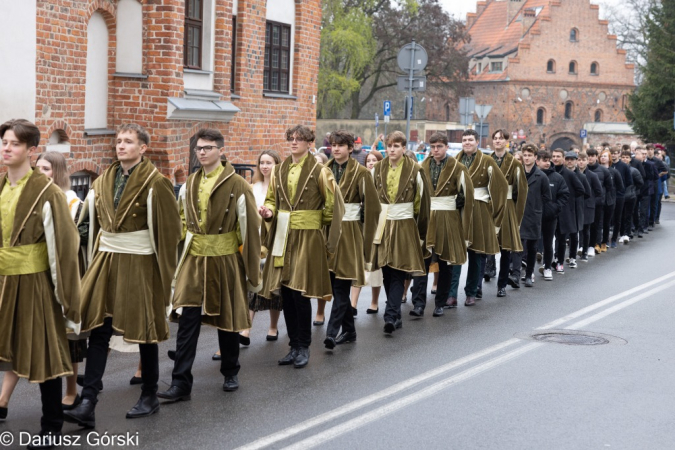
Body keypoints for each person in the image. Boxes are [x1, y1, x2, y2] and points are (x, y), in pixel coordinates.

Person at [64, 124, 181, 427]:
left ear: (143, 148)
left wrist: (165, 277)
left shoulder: (157, 183)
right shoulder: (103, 180)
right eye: (118, 141)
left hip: (141, 261)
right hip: (107, 260)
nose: (121, 146)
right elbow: (91, 223)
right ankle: (88, 401)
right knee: (99, 330)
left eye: (128, 142)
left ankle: (150, 395)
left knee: (145, 331)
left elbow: (169, 234)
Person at [158, 128, 261, 403]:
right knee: (188, 320)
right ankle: (181, 383)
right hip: (194, 259)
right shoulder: (190, 182)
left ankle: (230, 372)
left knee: (227, 320)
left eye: (207, 148)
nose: (201, 153)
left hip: (225, 258)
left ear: (220, 151)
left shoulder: (238, 185)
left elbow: (249, 227)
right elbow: (180, 220)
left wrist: (251, 271)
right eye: (198, 149)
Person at [0, 119, 81, 445]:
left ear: (31, 150)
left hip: (35, 284)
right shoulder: (1, 186)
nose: (7, 148)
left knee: (44, 352)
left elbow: (63, 246)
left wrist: (64, 297)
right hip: (3, 280)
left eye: (15, 144)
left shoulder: (46, 192)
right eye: (4, 142)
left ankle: (51, 423)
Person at [259, 125, 344, 368]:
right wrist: (268, 212)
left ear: (310, 143)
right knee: (286, 291)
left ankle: (303, 346)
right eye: (291, 139)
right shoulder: (279, 169)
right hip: (283, 235)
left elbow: (333, 205)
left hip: (307, 236)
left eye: (299, 139)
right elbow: (272, 200)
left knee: (300, 292)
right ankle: (293, 345)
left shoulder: (320, 171)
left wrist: (318, 224)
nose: (294, 142)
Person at [35, 152, 89, 409]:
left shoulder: (71, 202)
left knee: (69, 337)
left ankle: (70, 390)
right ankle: (4, 399)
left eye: (45, 168)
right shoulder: (31, 197)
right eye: (37, 168)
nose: (40, 173)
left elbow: (73, 245)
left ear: (57, 172)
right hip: (35, 272)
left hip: (64, 270)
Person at [368, 131, 430, 332]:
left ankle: (391, 314)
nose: (392, 149)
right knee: (386, 270)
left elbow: (422, 203)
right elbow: (369, 198)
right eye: (389, 146)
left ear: (404, 148)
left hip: (404, 224)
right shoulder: (377, 169)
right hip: (383, 224)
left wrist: (420, 232)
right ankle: (394, 314)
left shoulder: (415, 169)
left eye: (396, 146)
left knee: (398, 270)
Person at [323, 130, 380, 349]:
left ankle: (331, 332)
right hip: (328, 231)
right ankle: (349, 330)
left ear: (350, 148)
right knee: (333, 282)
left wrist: (363, 231)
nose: (335, 149)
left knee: (342, 283)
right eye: (333, 145)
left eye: (340, 145)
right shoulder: (324, 170)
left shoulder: (362, 173)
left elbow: (372, 207)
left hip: (349, 231)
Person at [412, 132, 473, 314]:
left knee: (445, 263)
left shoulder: (458, 168)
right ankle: (419, 303)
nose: (436, 150)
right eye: (433, 147)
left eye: (439, 146)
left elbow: (468, 196)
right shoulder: (422, 167)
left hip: (448, 218)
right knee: (422, 261)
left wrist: (460, 203)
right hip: (428, 217)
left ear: (447, 147)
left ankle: (440, 303)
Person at [450, 130, 507, 304]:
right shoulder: (454, 161)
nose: (467, 142)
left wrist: (492, 208)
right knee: (455, 254)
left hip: (478, 209)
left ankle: (471, 292)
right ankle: (451, 294)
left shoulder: (487, 161)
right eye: (464, 140)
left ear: (477, 142)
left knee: (475, 253)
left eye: (470, 140)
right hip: (458, 209)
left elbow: (501, 187)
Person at [240, 150, 283, 344]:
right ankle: (246, 329)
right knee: (253, 285)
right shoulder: (252, 187)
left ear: (277, 165)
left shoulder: (281, 188)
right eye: (262, 162)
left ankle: (273, 326)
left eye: (269, 162)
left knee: (273, 286)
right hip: (255, 241)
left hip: (274, 240)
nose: (265, 166)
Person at [483, 130, 527, 296]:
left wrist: (517, 216)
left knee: (505, 249)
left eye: (501, 138)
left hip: (507, 206)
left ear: (507, 141)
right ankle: (478, 287)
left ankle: (501, 285)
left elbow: (521, 192)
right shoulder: (487, 160)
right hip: (489, 205)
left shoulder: (514, 163)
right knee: (484, 246)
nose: (498, 141)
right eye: (495, 138)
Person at [510, 144, 550, 288]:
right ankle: (515, 274)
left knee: (532, 247)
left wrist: (538, 208)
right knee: (517, 246)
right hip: (519, 215)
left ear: (535, 158)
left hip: (534, 216)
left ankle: (528, 275)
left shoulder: (541, 176)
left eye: (529, 156)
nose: (527, 158)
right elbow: (512, 193)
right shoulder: (517, 173)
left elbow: (547, 197)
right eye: (525, 155)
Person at [351, 150, 384, 314]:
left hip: (378, 223)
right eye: (368, 160)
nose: (371, 163)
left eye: (374, 160)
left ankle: (374, 301)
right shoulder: (361, 177)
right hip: (361, 225)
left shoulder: (382, 179)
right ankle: (353, 304)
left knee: (374, 263)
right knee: (359, 262)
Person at [537, 150, 569, 280]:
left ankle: (548, 268)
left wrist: (555, 207)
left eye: (548, 160)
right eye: (543, 160)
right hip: (534, 215)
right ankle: (529, 271)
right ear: (537, 161)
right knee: (532, 243)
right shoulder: (533, 175)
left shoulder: (557, 177)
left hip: (550, 216)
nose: (546, 163)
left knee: (548, 243)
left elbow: (564, 194)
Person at [551, 149, 585, 273]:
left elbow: (581, 190)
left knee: (561, 238)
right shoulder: (550, 172)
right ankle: (553, 259)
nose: (555, 158)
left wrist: (568, 199)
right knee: (549, 238)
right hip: (551, 210)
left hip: (564, 211)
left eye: (558, 156)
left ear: (563, 158)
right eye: (553, 156)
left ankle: (560, 261)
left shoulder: (569, 174)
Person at [586, 148, 613, 254]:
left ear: (596, 157)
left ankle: (598, 243)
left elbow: (609, 186)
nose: (590, 158)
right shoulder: (583, 169)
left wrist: (602, 197)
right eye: (588, 156)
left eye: (592, 156)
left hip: (599, 202)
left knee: (598, 224)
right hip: (586, 202)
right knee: (587, 225)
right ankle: (588, 245)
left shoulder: (604, 171)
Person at [577, 153, 602, 261]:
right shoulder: (574, 174)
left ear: (587, 161)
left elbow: (599, 192)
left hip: (588, 206)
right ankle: (580, 247)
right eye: (579, 160)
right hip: (576, 205)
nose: (581, 162)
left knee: (587, 228)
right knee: (577, 229)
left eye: (583, 160)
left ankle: (586, 249)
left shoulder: (592, 175)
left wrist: (592, 202)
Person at [600, 149, 623, 250]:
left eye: (605, 156)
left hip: (610, 200)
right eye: (602, 156)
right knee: (598, 222)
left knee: (607, 222)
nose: (603, 158)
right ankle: (597, 242)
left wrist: (613, 194)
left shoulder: (614, 172)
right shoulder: (596, 170)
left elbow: (620, 186)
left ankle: (608, 240)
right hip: (599, 200)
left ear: (609, 158)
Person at [610, 146, 633, 246]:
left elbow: (629, 181)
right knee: (610, 216)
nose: (614, 155)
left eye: (615, 153)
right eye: (612, 153)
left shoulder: (624, 166)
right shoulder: (608, 165)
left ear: (619, 154)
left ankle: (620, 235)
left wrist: (621, 189)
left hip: (620, 194)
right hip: (609, 194)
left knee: (620, 216)